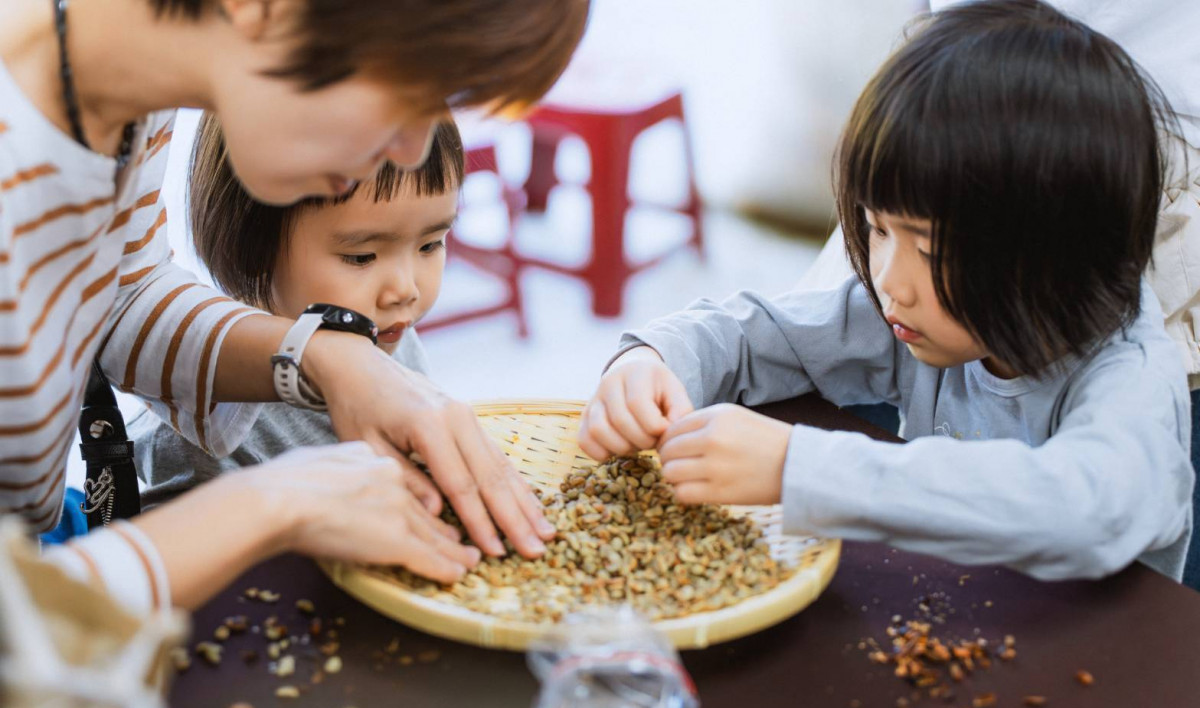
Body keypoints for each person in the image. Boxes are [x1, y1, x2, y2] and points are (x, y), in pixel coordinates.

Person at [0, 0, 588, 612]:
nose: (413, 150)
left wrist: (323, 357)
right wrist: (272, 504)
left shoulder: (127, 102)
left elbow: (121, 295)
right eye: (408, 91)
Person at [578, 0, 1192, 581]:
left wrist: (799, 468)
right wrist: (655, 361)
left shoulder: (1129, 374)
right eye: (875, 228)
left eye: (932, 251)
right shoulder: (909, 320)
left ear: (1056, 250)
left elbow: (1088, 508)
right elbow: (757, 334)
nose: (890, 281)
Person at [130, 114, 461, 516]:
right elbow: (182, 556)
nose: (405, 290)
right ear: (252, 246)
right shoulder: (205, 423)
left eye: (430, 245)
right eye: (361, 257)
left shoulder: (388, 335)